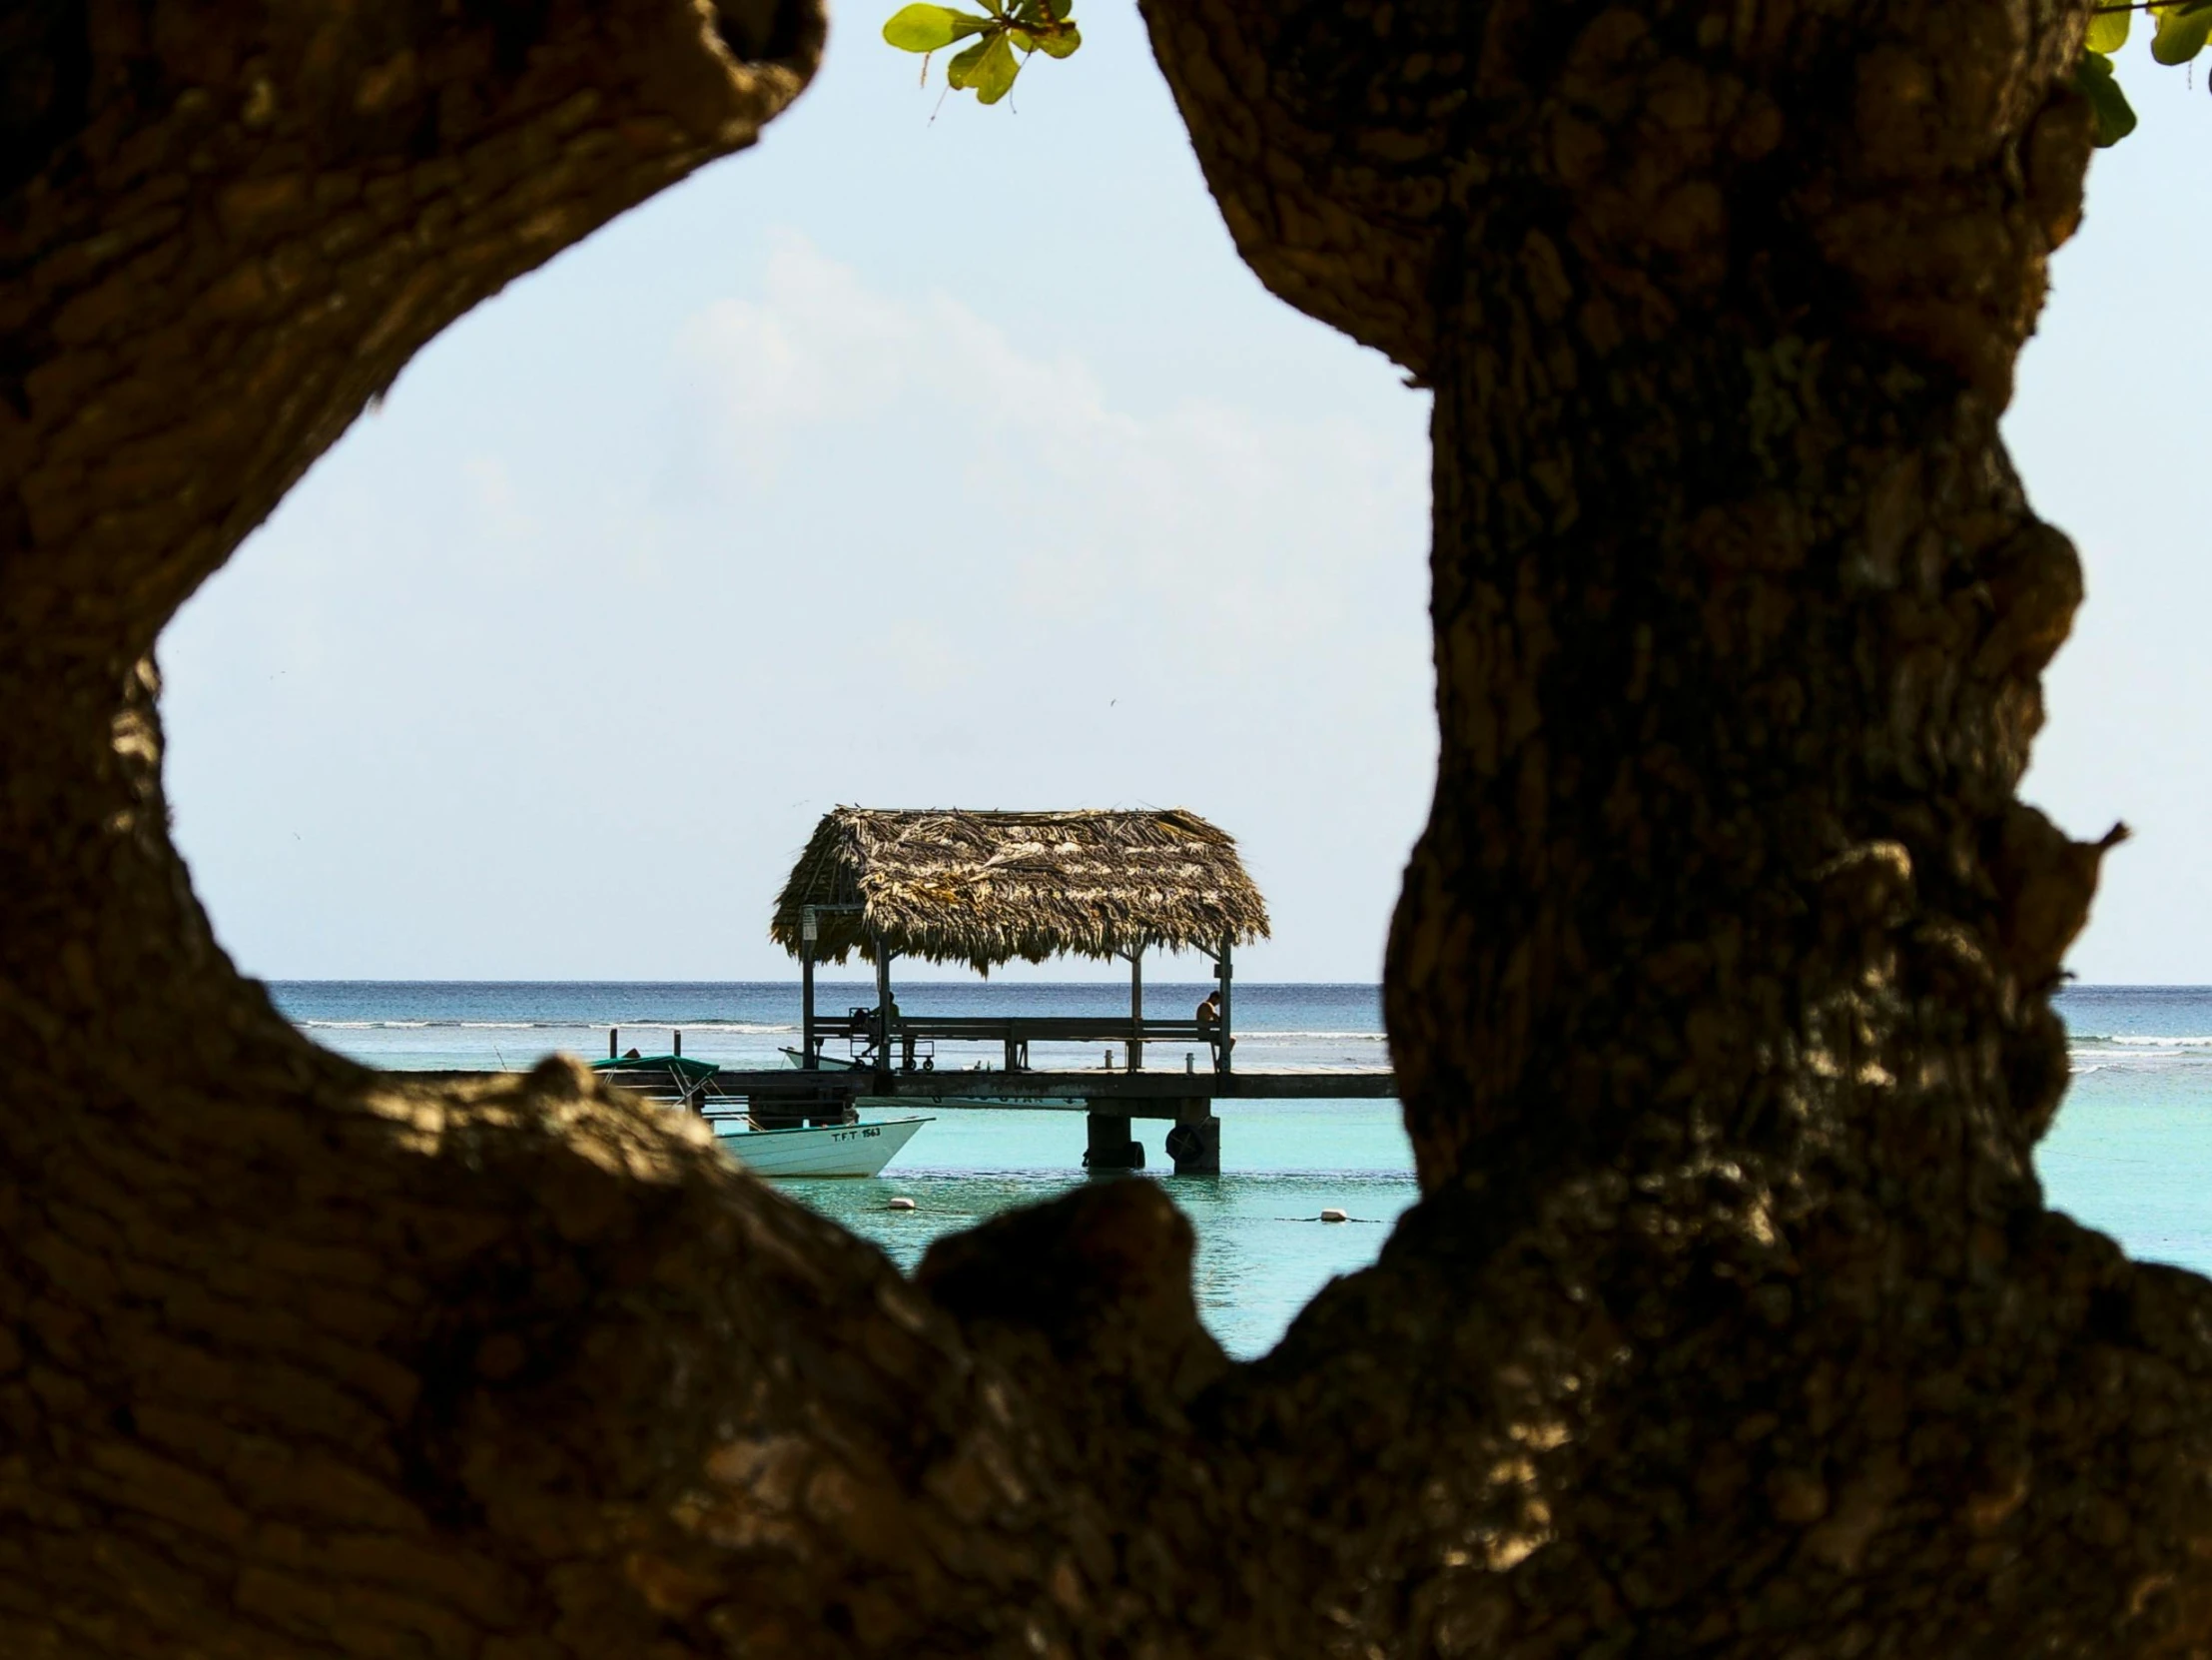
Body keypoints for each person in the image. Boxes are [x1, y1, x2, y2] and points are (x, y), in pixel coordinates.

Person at [1196, 990, 1230, 1068]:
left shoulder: (1204, 1005)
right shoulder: (1208, 1005)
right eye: (1219, 1001)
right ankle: (1220, 1062)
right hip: (1205, 1035)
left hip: (1201, 1034)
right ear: (1214, 998)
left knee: (1227, 1039)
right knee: (1231, 1040)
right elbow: (1216, 1018)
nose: (1218, 1004)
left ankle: (1219, 1061)